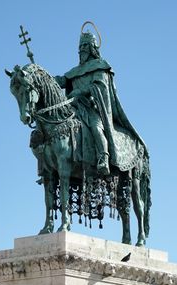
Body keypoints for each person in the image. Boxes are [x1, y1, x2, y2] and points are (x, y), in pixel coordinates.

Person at [55, 23, 148, 176]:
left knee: (96, 127)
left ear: (93, 48)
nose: (82, 49)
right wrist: (42, 79)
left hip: (92, 107)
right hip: (74, 108)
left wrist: (80, 91)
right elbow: (61, 81)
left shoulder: (100, 66)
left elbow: (99, 86)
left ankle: (103, 157)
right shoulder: (74, 71)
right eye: (81, 46)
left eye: (86, 45)